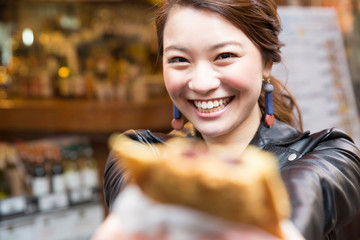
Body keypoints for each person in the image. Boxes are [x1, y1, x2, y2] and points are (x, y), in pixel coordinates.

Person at [97, 0, 360, 239]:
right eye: (179, 59)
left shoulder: (331, 155)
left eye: (224, 56)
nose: (201, 83)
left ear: (267, 61)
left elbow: (303, 195)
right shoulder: (142, 155)